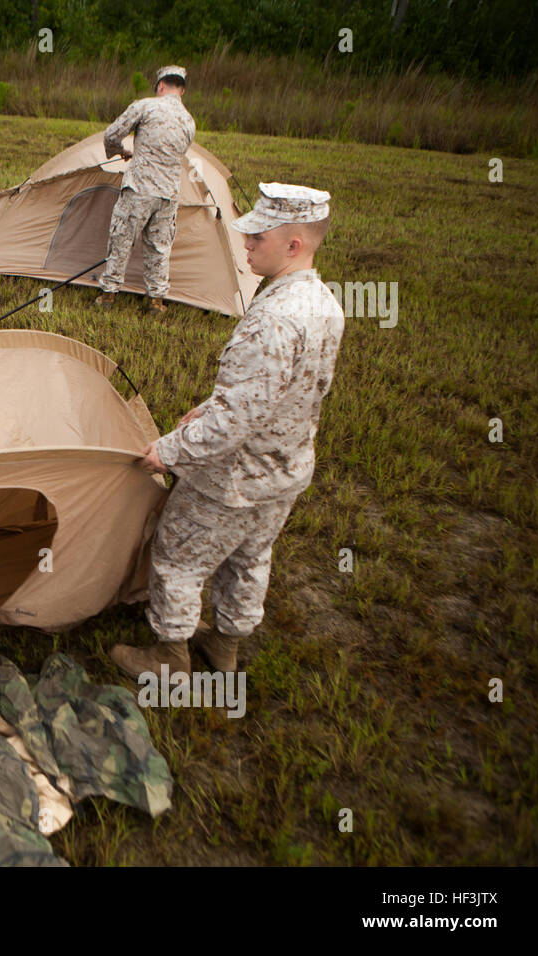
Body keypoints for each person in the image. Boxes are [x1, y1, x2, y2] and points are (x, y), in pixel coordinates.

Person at [111, 183, 345, 681]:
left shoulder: (275, 320)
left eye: (259, 237)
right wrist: (205, 408)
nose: (247, 244)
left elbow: (236, 418)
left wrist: (169, 452)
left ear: (293, 245)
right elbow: (282, 391)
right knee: (250, 558)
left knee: (176, 553)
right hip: (285, 468)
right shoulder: (322, 302)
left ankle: (169, 657)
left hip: (233, 477)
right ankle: (225, 644)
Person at [95, 65, 196, 313]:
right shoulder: (189, 121)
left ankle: (108, 295)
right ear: (181, 90)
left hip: (140, 187)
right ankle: (156, 301)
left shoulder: (145, 106)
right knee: (160, 247)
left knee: (122, 239)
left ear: (160, 86)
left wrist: (120, 151)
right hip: (169, 193)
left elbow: (111, 135)